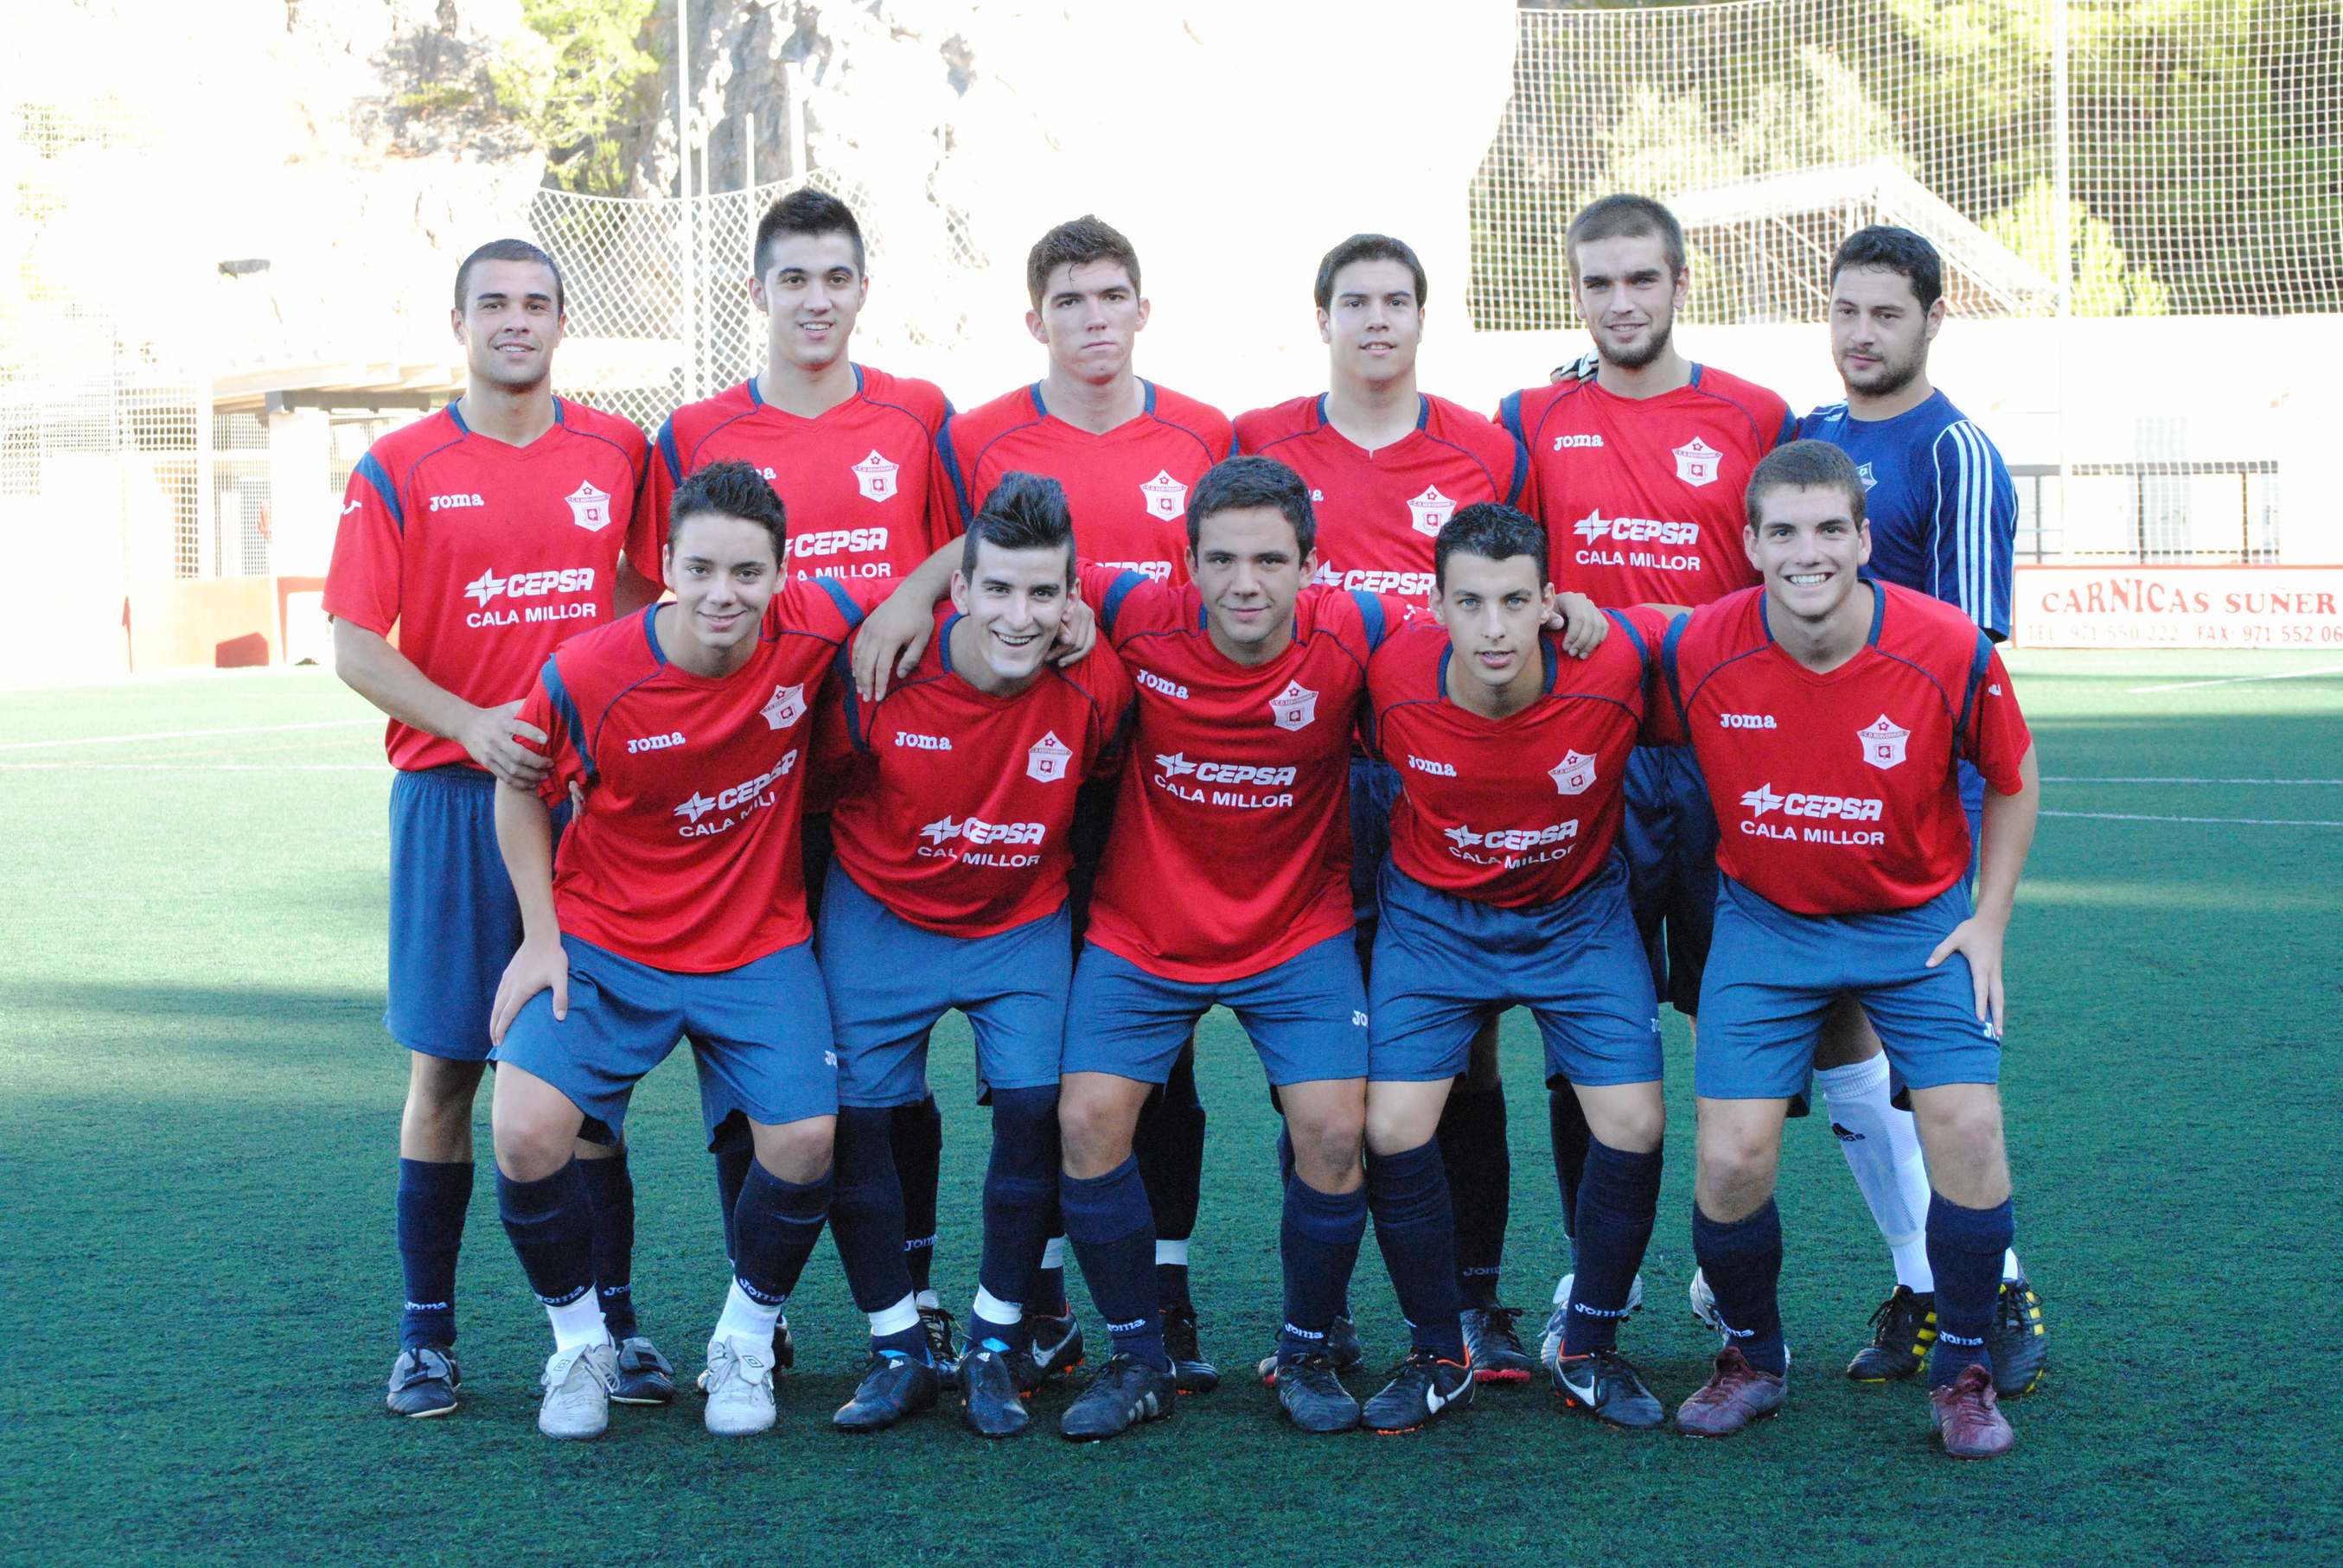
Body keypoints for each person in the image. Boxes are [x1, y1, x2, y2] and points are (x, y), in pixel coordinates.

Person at [324, 238, 667, 1420]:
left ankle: (613, 1326)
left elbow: (644, 593)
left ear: (562, 322)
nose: (516, 320)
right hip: (452, 798)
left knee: (586, 1081)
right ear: (459, 323)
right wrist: (472, 723)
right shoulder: (400, 464)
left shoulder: (618, 450)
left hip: (585, 807)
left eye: (536, 303)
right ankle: (425, 1336)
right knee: (446, 1068)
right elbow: (355, 643)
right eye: (494, 304)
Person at [1658, 440, 2040, 1462]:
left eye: (1830, 528)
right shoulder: (1699, 644)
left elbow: (2012, 775)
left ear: (1865, 539)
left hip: (1913, 924)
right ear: (1749, 543)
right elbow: (1610, 652)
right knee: (1730, 1153)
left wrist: (1988, 918)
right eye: (1783, 530)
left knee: (1969, 1125)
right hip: (1765, 924)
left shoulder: (1945, 644)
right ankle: (1752, 1356)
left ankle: (1963, 1368)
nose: (1807, 551)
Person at [637, 186, 961, 1376]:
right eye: (793, 278)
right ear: (757, 291)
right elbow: (651, 599)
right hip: (748, 794)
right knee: (745, 1054)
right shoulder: (694, 431)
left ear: (862, 289)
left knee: (887, 1054)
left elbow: (971, 546)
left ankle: (914, 1289)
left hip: (893, 776)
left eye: (836, 277)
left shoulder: (918, 413)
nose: (815, 300)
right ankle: (758, 1306)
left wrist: (909, 596)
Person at [482, 461, 868, 1440]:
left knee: (806, 1139)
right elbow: (519, 787)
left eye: (747, 572)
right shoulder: (586, 672)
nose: (722, 594)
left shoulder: (815, 628)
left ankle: (744, 1338)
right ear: (664, 565)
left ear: (783, 573)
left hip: (754, 942)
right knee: (524, 1129)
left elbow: (925, 593)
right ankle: (580, 1345)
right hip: (608, 940)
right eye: (700, 569)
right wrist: (539, 936)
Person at [929, 215, 1232, 1388]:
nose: (1093, 318)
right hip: (1017, 778)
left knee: (1161, 1053)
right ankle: (1043, 1294)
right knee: (1036, 1062)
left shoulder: (1204, 432)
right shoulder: (977, 437)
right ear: (1034, 318)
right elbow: (943, 576)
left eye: (1112, 296)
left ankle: (1166, 1288)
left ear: (1143, 309)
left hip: (1155, 776)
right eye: (1070, 299)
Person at [1496, 194, 1794, 1367]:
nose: (1619, 303)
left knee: (1737, 1027)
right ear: (1574, 292)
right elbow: (1503, 577)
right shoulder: (1530, 419)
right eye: (1597, 283)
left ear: (1679, 281)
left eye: (1639, 279)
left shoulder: (1753, 414)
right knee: (1587, 1035)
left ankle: (1727, 1270)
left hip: (1731, 767)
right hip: (1589, 769)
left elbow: (1791, 577)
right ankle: (1592, 1270)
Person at [1235, 234, 1538, 1380]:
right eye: (1354, 300)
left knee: (1466, 1051)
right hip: (1306, 782)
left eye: (1396, 300)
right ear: (1321, 317)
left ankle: (1474, 1302)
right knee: (1316, 1064)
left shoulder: (1484, 449)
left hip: (1443, 783)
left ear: (1421, 316)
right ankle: (1322, 1317)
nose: (1375, 319)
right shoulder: (1260, 440)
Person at [810, 473, 1131, 1438]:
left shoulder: (1095, 683)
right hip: (880, 913)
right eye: (997, 589)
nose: (1018, 615)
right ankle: (897, 1347)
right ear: (958, 588)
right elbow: (819, 786)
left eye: (1042, 592)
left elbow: (1102, 780)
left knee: (1035, 1112)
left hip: (1017, 919)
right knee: (856, 1123)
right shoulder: (883, 670)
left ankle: (994, 1341)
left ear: (1071, 597)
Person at [1785, 224, 2046, 1395]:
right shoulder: (1810, 435)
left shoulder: (1955, 451)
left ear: (1933, 318)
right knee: (1836, 1030)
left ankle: (1997, 1287)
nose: (1860, 333)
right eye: (1845, 309)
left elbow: (1968, 657)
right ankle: (1920, 1277)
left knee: (1930, 1066)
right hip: (1807, 802)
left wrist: (1905, 803)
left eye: (1885, 312)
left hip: (1915, 810)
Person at [1356, 502, 1673, 1434]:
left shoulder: (1614, 657)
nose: (1493, 627)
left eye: (1513, 601)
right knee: (1392, 1126)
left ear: (1549, 601)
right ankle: (1437, 1350)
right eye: (1470, 602)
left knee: (1634, 1120)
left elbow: (1721, 627)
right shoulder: (1390, 672)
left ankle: (1589, 1345)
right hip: (1434, 921)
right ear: (1436, 605)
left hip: (1576, 917)